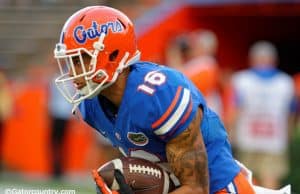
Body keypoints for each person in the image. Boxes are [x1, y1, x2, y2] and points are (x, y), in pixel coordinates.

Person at [53, 6, 256, 194]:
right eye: (71, 61)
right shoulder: (91, 104)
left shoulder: (159, 95)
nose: (73, 71)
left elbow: (196, 189)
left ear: (113, 55)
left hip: (216, 187)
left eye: (82, 59)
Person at [230, 41, 295, 189]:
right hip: (274, 139)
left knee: (245, 180)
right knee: (271, 181)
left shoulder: (241, 80)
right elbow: (291, 115)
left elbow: (235, 110)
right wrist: (287, 137)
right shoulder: (285, 82)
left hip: (247, 137)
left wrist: (230, 133)